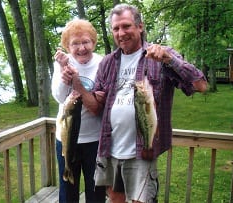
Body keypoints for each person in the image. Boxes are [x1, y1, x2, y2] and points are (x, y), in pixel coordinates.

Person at [71, 4, 208, 203]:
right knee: (115, 199)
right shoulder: (108, 62)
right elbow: (95, 107)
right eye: (116, 28)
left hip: (142, 150)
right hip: (110, 148)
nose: (121, 33)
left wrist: (170, 60)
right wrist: (78, 85)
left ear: (140, 26)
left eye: (126, 26)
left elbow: (200, 85)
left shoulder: (160, 55)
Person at [51, 19, 105, 203]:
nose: (81, 48)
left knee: (96, 189)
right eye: (75, 43)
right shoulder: (62, 62)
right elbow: (59, 98)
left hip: (95, 140)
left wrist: (76, 82)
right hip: (66, 140)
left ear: (93, 42)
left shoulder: (102, 63)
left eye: (86, 42)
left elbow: (101, 104)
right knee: (67, 190)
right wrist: (63, 75)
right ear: (67, 45)